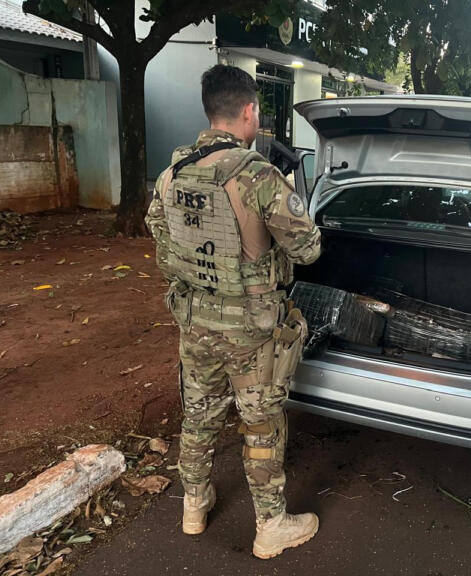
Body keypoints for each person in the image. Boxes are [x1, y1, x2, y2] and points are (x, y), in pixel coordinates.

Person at [145, 64, 321, 559]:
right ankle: (270, 525)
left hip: (195, 320)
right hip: (250, 329)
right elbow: (307, 249)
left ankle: (194, 507)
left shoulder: (172, 172)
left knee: (198, 415)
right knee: (261, 425)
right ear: (249, 112)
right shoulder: (260, 177)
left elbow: (160, 238)